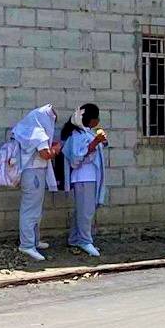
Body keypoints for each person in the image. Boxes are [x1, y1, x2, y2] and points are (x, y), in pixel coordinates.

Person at [9, 105, 61, 261]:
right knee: (31, 210)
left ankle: (34, 241)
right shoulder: (38, 133)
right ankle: (27, 245)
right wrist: (56, 149)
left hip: (33, 173)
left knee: (35, 210)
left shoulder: (29, 128)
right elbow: (45, 154)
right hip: (34, 174)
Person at [61, 103, 109, 257]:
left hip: (90, 176)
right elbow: (76, 157)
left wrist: (100, 141)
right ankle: (85, 240)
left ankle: (75, 238)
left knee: (83, 210)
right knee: (86, 211)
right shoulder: (77, 135)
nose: (98, 120)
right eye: (96, 117)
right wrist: (95, 143)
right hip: (83, 177)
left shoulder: (87, 133)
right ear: (90, 119)